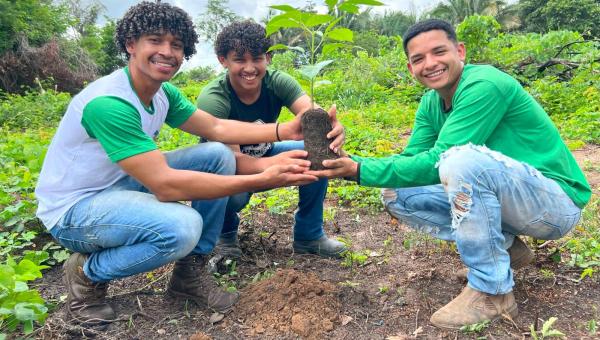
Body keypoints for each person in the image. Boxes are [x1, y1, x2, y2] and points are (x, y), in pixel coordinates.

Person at [34, 2, 320, 326]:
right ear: (131, 44)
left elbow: (215, 128)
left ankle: (190, 272)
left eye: (177, 45)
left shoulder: (161, 93)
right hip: (76, 209)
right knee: (182, 228)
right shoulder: (109, 103)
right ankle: (87, 273)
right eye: (155, 41)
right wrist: (264, 177)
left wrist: (285, 129)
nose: (167, 52)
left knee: (217, 154)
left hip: (118, 185)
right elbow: (166, 185)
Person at [308, 19, 591, 329]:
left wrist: (359, 170)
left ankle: (493, 293)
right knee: (395, 192)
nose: (430, 64)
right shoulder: (432, 102)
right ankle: (506, 251)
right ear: (409, 67)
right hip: (512, 199)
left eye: (438, 52)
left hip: (554, 204)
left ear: (460, 51)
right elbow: (412, 160)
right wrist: (350, 163)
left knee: (458, 160)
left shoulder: (484, 84)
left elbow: (438, 160)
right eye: (418, 59)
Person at [196, 20, 347, 264]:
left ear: (268, 57)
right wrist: (276, 166)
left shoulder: (277, 82)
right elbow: (231, 160)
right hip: (229, 167)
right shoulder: (214, 99)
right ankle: (225, 235)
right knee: (234, 196)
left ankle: (309, 235)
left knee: (318, 153)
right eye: (239, 60)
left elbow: (312, 117)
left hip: (265, 152)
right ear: (223, 60)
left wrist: (332, 129)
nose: (249, 68)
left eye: (256, 58)